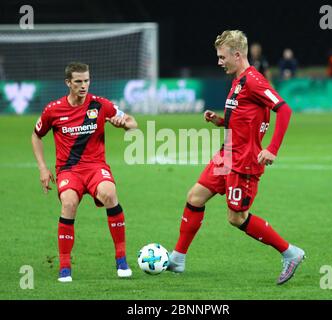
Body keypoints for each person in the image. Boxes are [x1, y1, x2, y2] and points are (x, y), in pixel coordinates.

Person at [168, 30, 305, 285]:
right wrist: (220, 121)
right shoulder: (237, 80)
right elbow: (243, 119)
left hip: (244, 162)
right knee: (194, 197)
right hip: (227, 155)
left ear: (237, 54)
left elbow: (284, 110)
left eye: (222, 57)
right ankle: (177, 258)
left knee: (236, 218)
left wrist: (272, 149)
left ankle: (290, 253)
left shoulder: (253, 80)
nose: (219, 62)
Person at [31, 62, 137, 282]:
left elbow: (132, 122)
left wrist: (123, 123)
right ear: (68, 83)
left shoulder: (100, 104)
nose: (83, 85)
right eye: (78, 81)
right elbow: (36, 135)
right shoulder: (53, 109)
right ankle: (64, 267)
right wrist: (42, 167)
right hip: (68, 170)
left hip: (96, 167)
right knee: (68, 203)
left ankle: (121, 260)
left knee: (109, 193)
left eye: (86, 80)